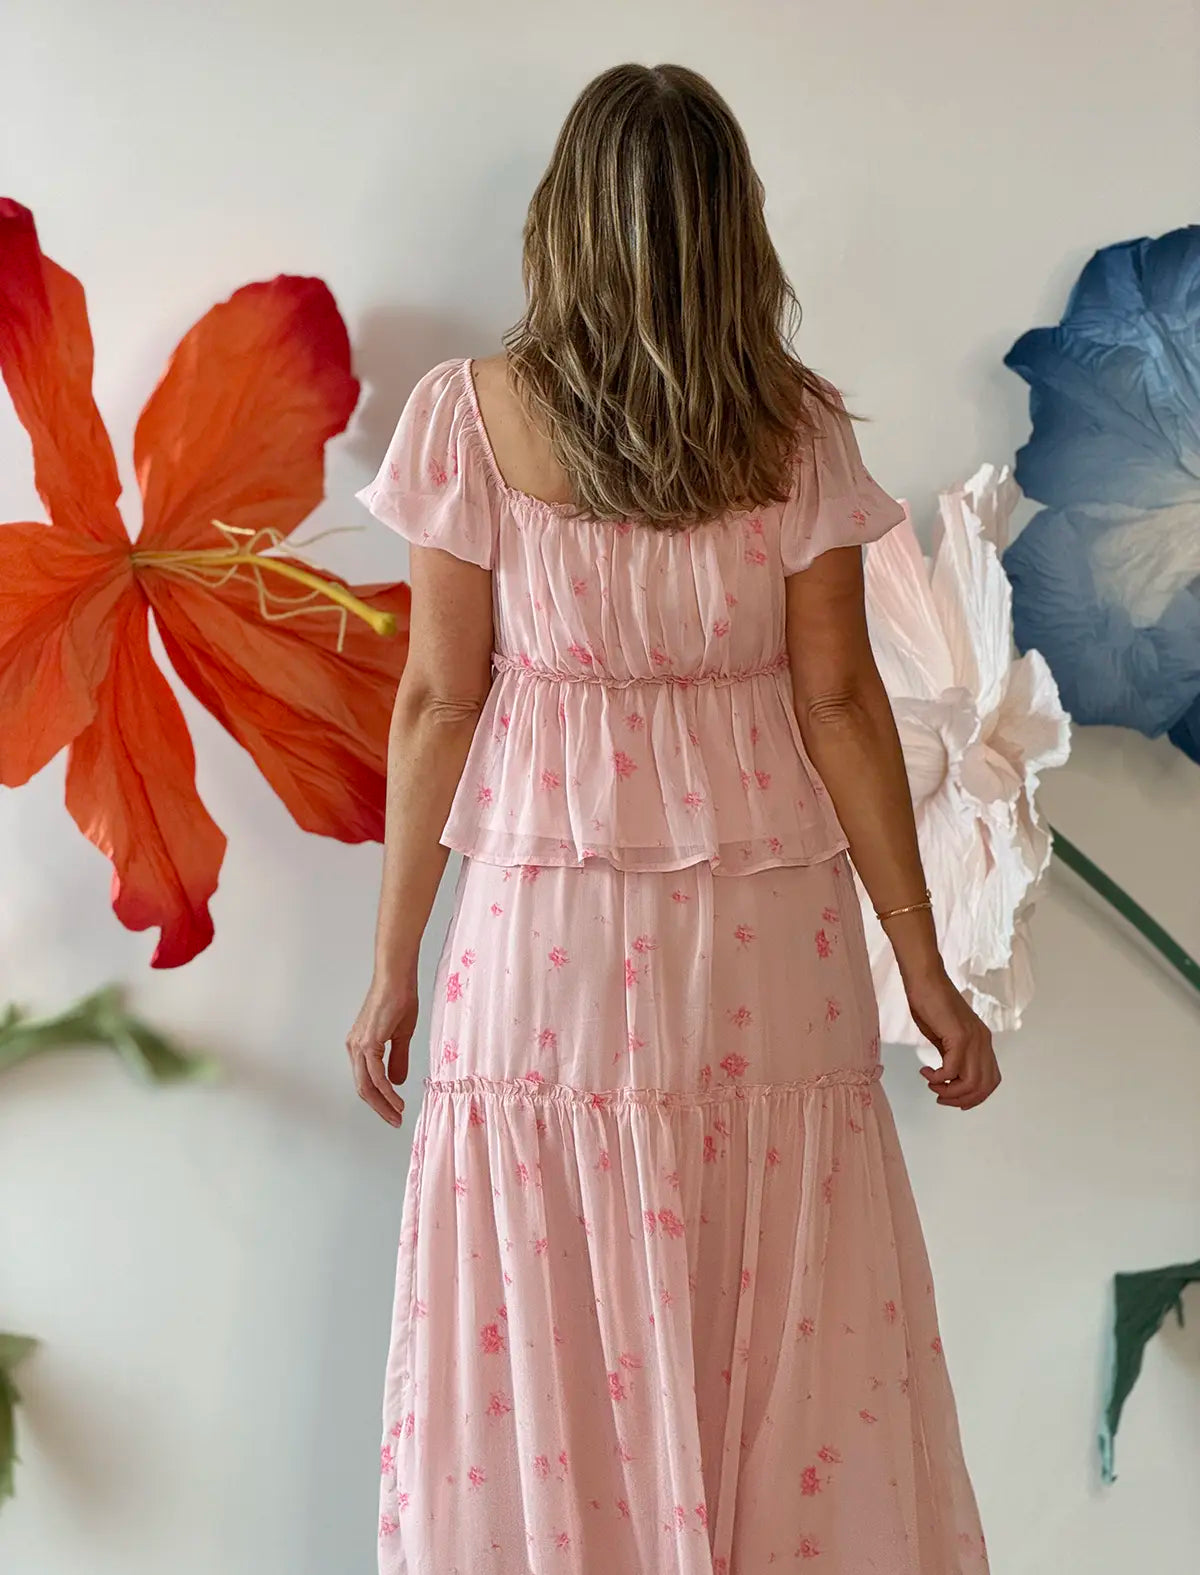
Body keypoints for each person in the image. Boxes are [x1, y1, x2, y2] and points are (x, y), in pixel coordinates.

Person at [348, 60, 996, 1575]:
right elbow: (839, 705)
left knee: (549, 1300)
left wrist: (392, 964)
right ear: (734, 229)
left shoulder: (471, 419)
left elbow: (439, 703)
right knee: (774, 1299)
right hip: (763, 950)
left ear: (561, 224)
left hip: (543, 951)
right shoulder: (797, 428)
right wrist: (924, 964)